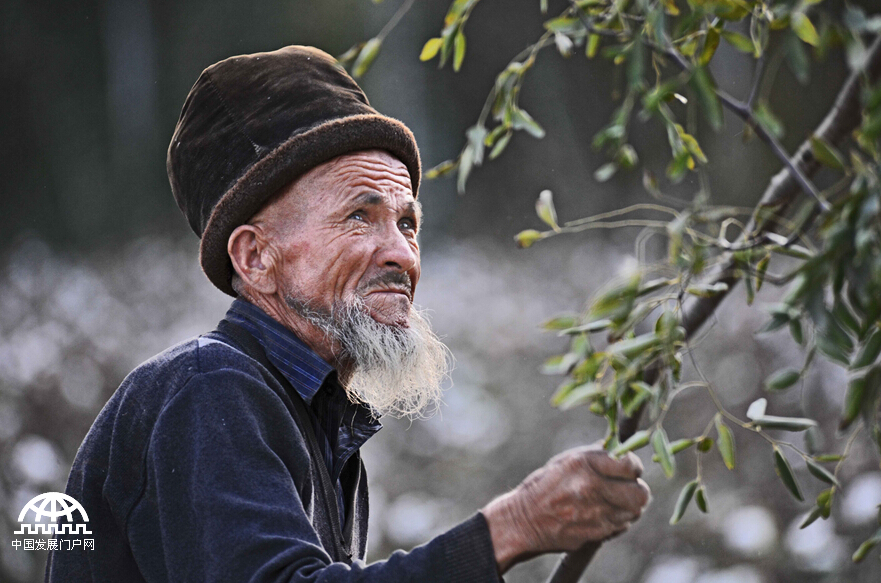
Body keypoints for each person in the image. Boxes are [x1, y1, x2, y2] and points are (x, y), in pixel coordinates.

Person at [45, 45, 650, 582]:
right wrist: (514, 526)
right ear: (255, 258)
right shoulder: (208, 392)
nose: (401, 255)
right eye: (359, 216)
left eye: (407, 222)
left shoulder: (319, 417)